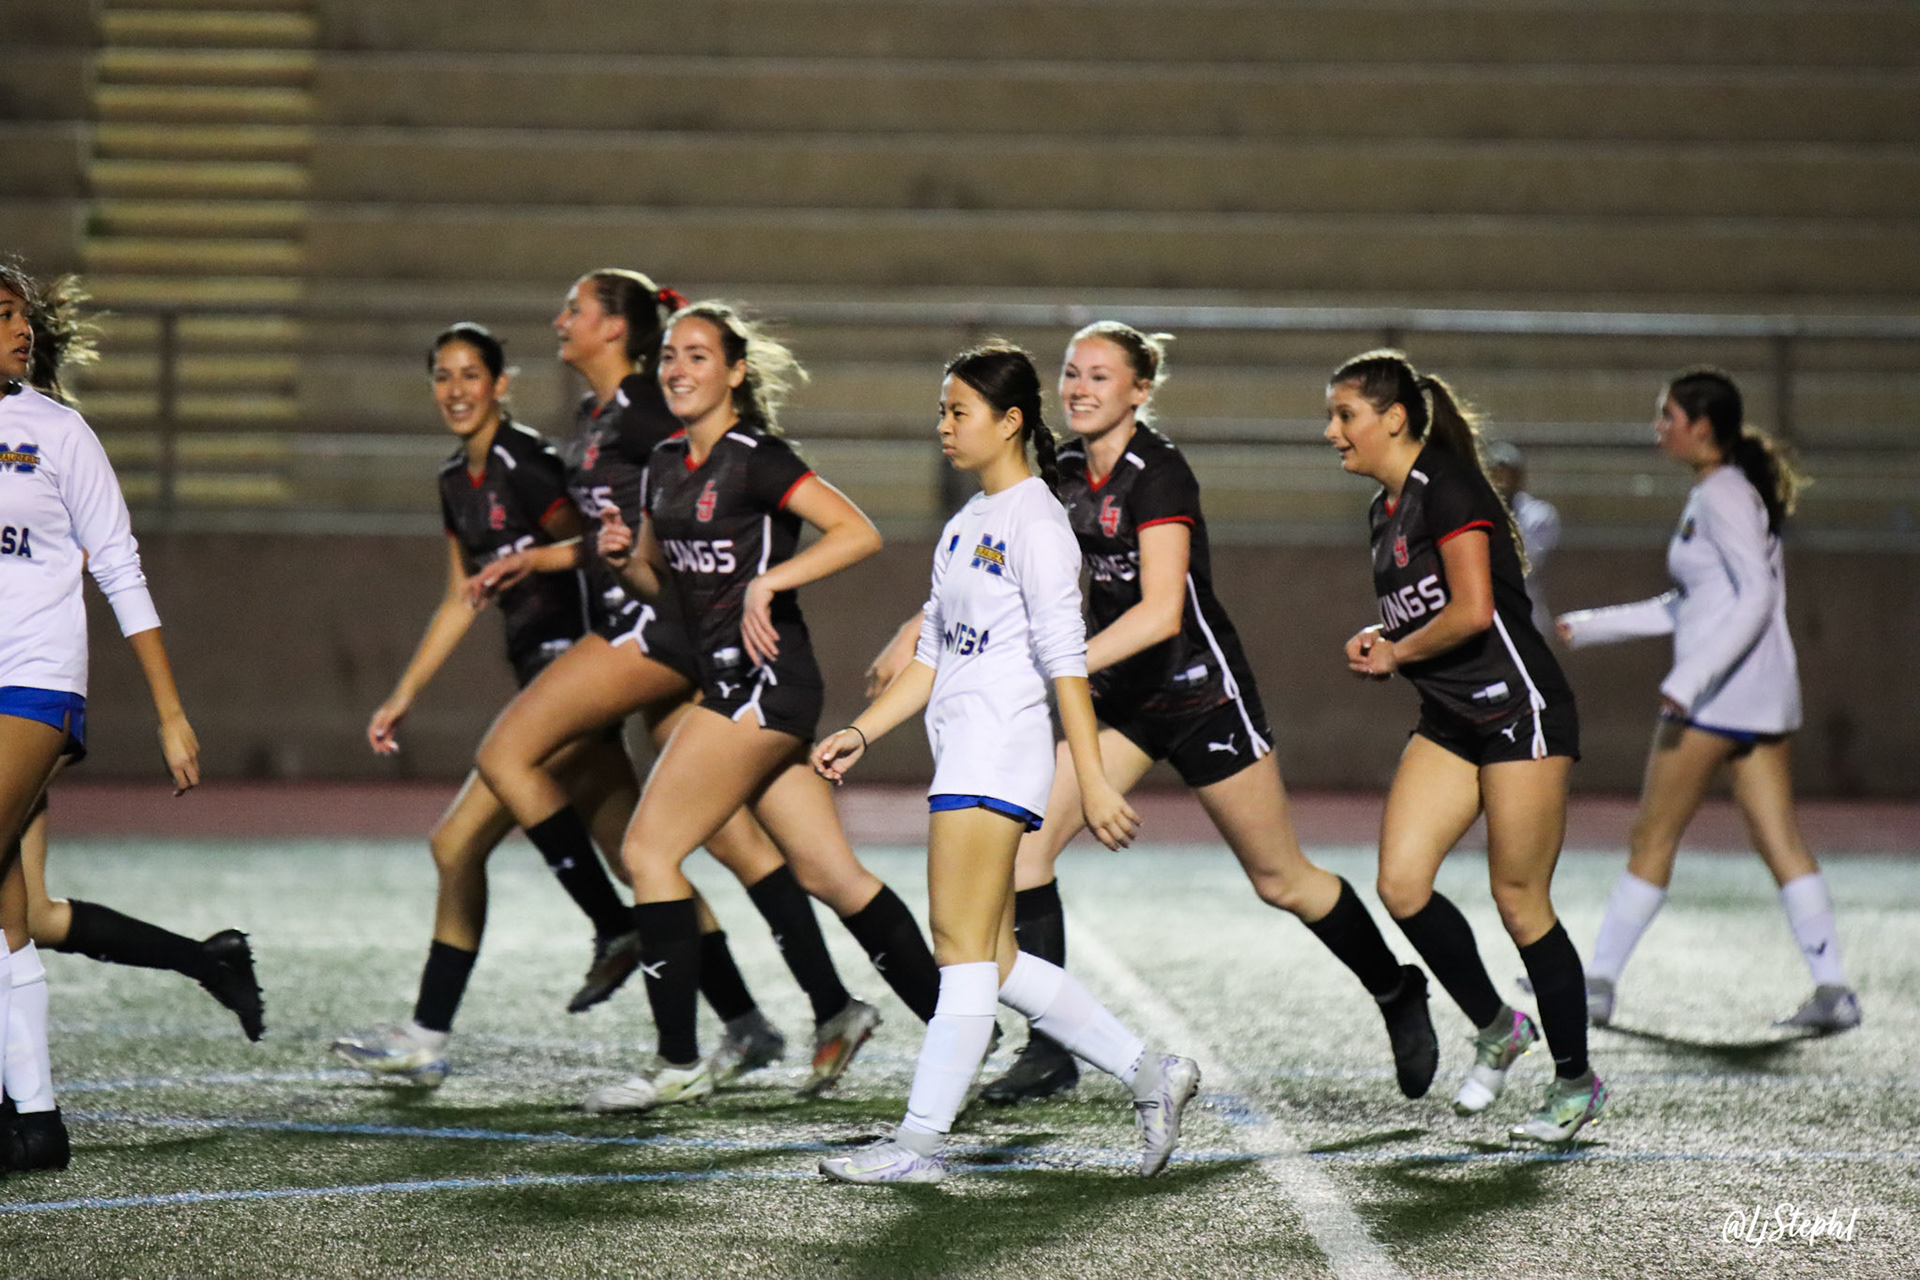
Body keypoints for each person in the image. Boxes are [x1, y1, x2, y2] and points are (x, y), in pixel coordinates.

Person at [867, 322, 1437, 1106]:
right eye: (1072, 373)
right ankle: (1051, 1052)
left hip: (1201, 696)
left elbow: (1162, 613)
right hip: (1123, 702)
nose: (1080, 388)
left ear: (1140, 391)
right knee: (1028, 855)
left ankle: (1395, 988)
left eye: (1101, 376)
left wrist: (1052, 662)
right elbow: (989, 560)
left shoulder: (1159, 473)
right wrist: (920, 626)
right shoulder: (1061, 472)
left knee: (1281, 879)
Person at [470, 276, 935, 1104]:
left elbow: (858, 532)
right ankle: (959, 1031)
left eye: (698, 357)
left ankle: (677, 1062)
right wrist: (624, 560)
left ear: (735, 373)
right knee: (830, 874)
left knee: (648, 852)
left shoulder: (758, 457)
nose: (680, 370)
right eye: (673, 358)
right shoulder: (662, 464)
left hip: (763, 685)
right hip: (729, 685)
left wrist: (771, 581)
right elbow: (663, 589)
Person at [810, 342, 1200, 1184]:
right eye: (942, 412)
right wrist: (862, 732)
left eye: (959, 412)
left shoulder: (1037, 524)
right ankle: (1150, 1073)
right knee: (998, 961)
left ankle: (917, 1146)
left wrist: (1091, 779)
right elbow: (932, 656)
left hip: (996, 755)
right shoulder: (966, 523)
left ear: (1010, 421)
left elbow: (1068, 662)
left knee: (959, 954)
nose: (944, 427)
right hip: (963, 751)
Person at [329, 322, 675, 1085]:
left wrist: (591, 668)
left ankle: (605, 942)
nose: (456, 390)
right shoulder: (457, 479)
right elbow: (463, 596)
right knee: (636, 858)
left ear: (500, 384)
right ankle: (742, 1017)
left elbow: (591, 552)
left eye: (470, 375)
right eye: (443, 376)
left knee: (464, 841)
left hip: (578, 674)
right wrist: (403, 694)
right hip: (544, 685)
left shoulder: (525, 462)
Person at [1328, 348, 1605, 1145]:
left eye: (1345, 416)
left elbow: (1475, 610)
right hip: (1452, 719)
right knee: (1402, 884)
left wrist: (1397, 651)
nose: (1332, 432)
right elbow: (1430, 610)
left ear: (1394, 418)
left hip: (1519, 713)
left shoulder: (1445, 487)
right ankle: (1498, 1025)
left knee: (1520, 901)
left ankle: (1576, 1084)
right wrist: (1386, 634)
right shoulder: (1382, 511)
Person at [1557, 368, 1859, 1034]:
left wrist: (1690, 679)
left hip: (1717, 701)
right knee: (1780, 841)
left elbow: (1756, 597)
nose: (1658, 427)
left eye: (1667, 416)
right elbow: (1696, 604)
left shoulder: (1722, 493)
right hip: (1757, 699)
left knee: (1652, 837)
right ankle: (1834, 989)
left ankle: (1596, 985)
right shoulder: (1726, 490)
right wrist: (1595, 626)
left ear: (1701, 427)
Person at [0, 261, 207, 1172]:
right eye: (3, 315)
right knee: (10, 899)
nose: (22, 330)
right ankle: (36, 1118)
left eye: (23, 316)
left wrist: (170, 712)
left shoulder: (57, 431)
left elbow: (119, 566)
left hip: (36, 682)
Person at [1487, 441, 1560, 637]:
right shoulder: (1474, 511)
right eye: (1495, 474)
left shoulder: (1539, 514)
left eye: (1507, 474)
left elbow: (1527, 559)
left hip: (1524, 604)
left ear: (1518, 477)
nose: (1501, 481)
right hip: (1487, 604)